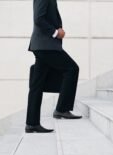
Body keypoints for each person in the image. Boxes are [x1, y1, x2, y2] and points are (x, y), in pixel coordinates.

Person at [25, 0, 82, 133]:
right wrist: (56, 32)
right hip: (46, 46)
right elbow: (39, 18)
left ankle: (32, 123)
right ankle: (62, 109)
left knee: (36, 85)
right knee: (72, 69)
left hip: (43, 46)